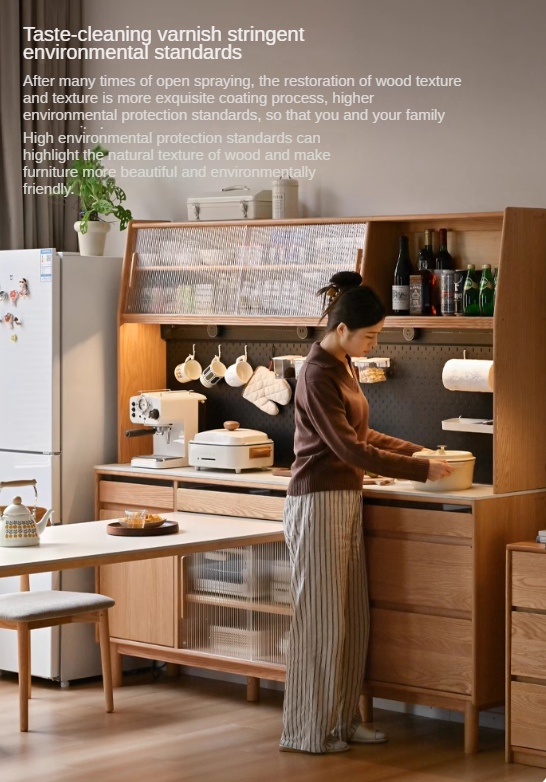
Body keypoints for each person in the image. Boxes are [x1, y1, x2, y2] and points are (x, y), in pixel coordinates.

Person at [279, 272, 454, 755]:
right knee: (319, 624)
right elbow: (348, 449)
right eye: (370, 336)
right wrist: (419, 471)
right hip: (317, 503)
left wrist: (420, 454)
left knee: (350, 620)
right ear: (342, 330)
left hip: (343, 501)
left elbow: (366, 436)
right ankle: (307, 732)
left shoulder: (344, 367)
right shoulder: (316, 373)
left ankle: (343, 721)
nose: (374, 344)